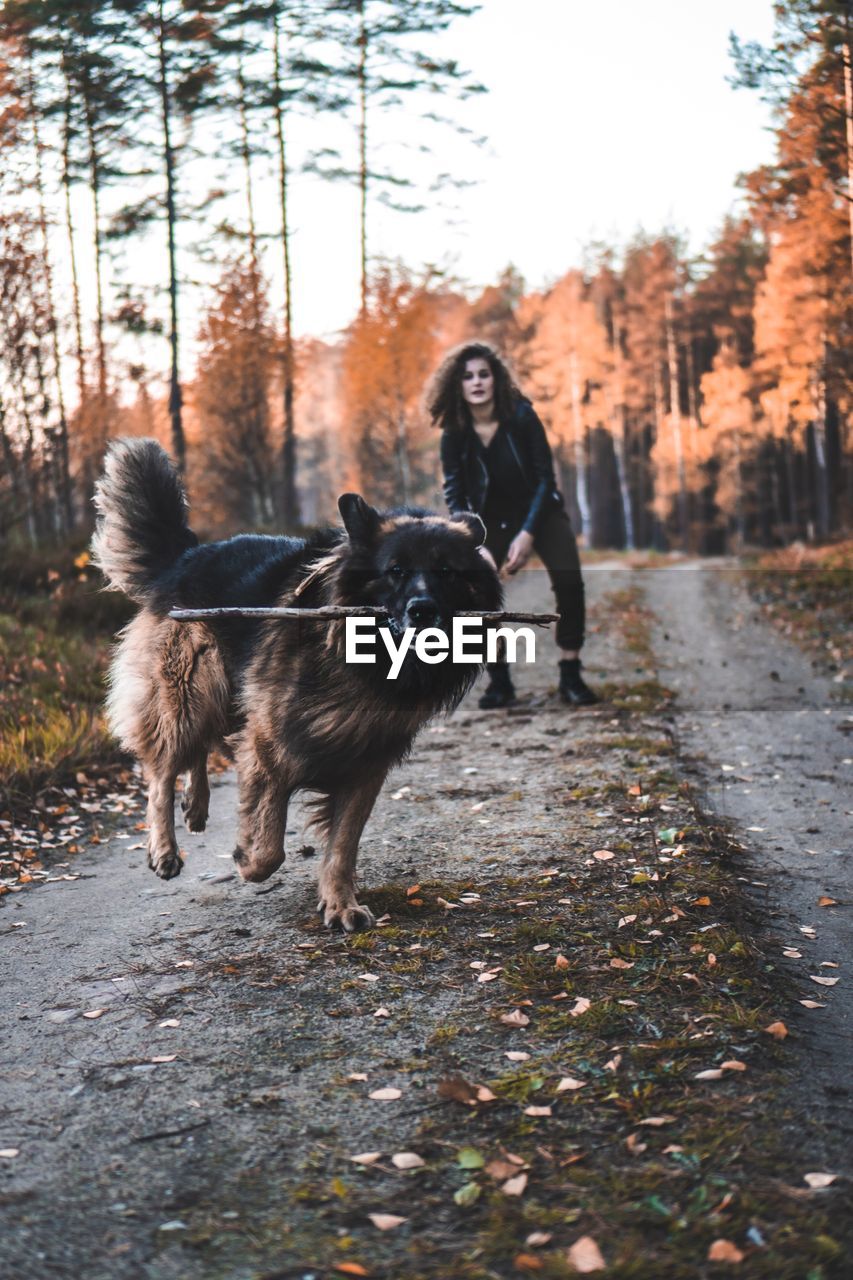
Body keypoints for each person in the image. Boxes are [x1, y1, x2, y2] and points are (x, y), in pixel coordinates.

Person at [426, 340, 597, 709]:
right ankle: (499, 681)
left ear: (495, 379)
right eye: (467, 376)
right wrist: (472, 540)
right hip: (488, 521)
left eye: (483, 375)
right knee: (474, 591)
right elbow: (454, 492)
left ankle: (571, 675)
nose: (476, 382)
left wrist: (528, 533)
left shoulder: (521, 416)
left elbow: (544, 480)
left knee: (569, 581)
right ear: (456, 385)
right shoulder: (454, 432)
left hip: (540, 512)